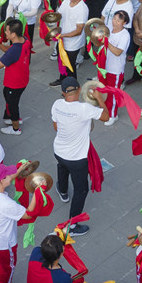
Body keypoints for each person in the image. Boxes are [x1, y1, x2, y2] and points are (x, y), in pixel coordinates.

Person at [51, 76, 108, 233]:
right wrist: (99, 99)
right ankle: (73, 225)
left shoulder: (56, 104)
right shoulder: (84, 109)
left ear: (63, 92)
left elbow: (56, 126)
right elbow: (106, 116)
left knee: (62, 168)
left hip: (59, 150)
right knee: (81, 190)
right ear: (79, 90)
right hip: (77, 158)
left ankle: (62, 191)